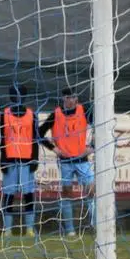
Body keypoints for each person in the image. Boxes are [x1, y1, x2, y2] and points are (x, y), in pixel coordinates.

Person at [38, 87, 94, 238]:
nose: (71, 100)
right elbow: (39, 133)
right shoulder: (55, 114)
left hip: (82, 160)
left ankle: (95, 225)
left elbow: (101, 126)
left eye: (73, 97)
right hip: (65, 162)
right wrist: (54, 149)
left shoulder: (85, 110)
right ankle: (70, 229)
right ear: (63, 99)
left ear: (77, 98)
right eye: (67, 97)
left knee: (92, 191)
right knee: (67, 194)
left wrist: (92, 147)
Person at [0, 83, 39, 237]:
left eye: (20, 95)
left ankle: (29, 228)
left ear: (24, 97)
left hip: (27, 161)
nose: (18, 98)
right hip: (10, 160)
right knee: (9, 195)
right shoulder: (3, 115)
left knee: (28, 194)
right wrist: (2, 160)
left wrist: (35, 159)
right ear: (11, 97)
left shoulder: (32, 115)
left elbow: (35, 138)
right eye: (15, 95)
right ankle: (7, 229)